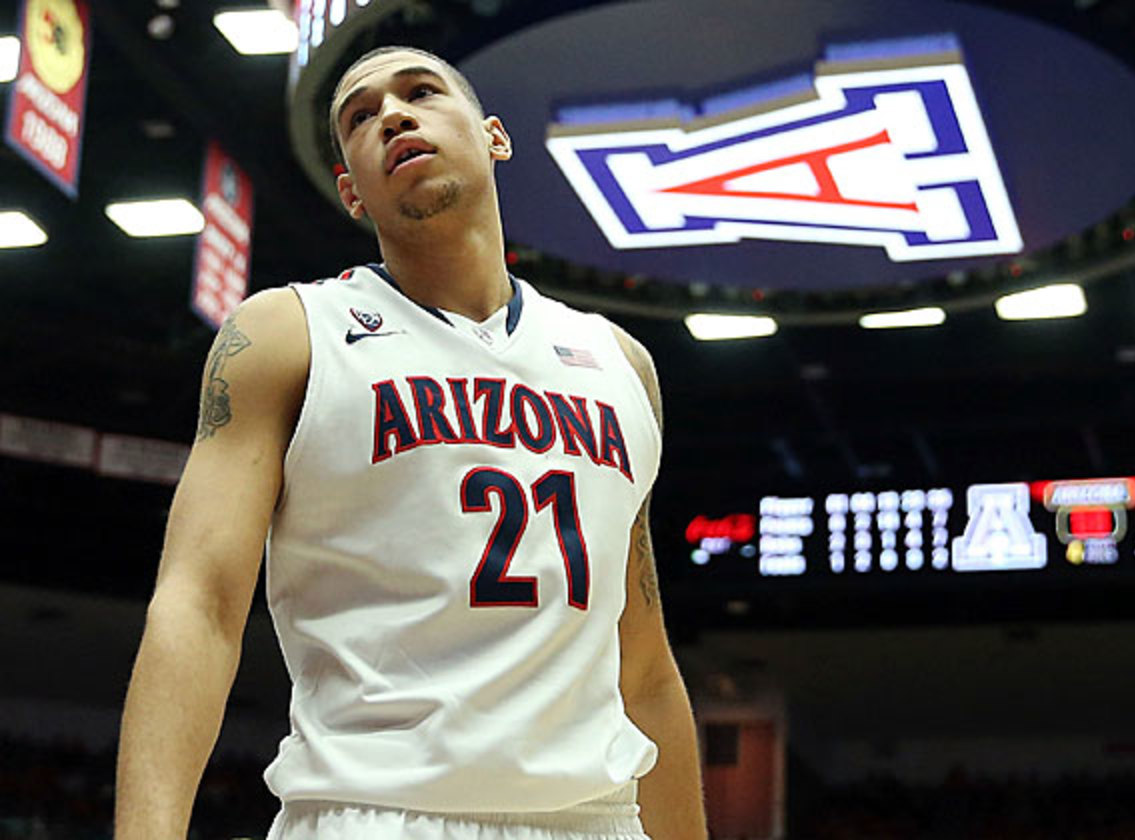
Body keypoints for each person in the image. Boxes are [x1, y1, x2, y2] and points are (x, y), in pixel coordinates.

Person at [114, 45, 707, 840]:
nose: (393, 113)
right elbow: (200, 605)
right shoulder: (287, 335)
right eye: (360, 115)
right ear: (351, 192)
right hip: (375, 814)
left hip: (594, 819)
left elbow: (642, 662)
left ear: (494, 136)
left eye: (420, 92)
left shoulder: (620, 364)